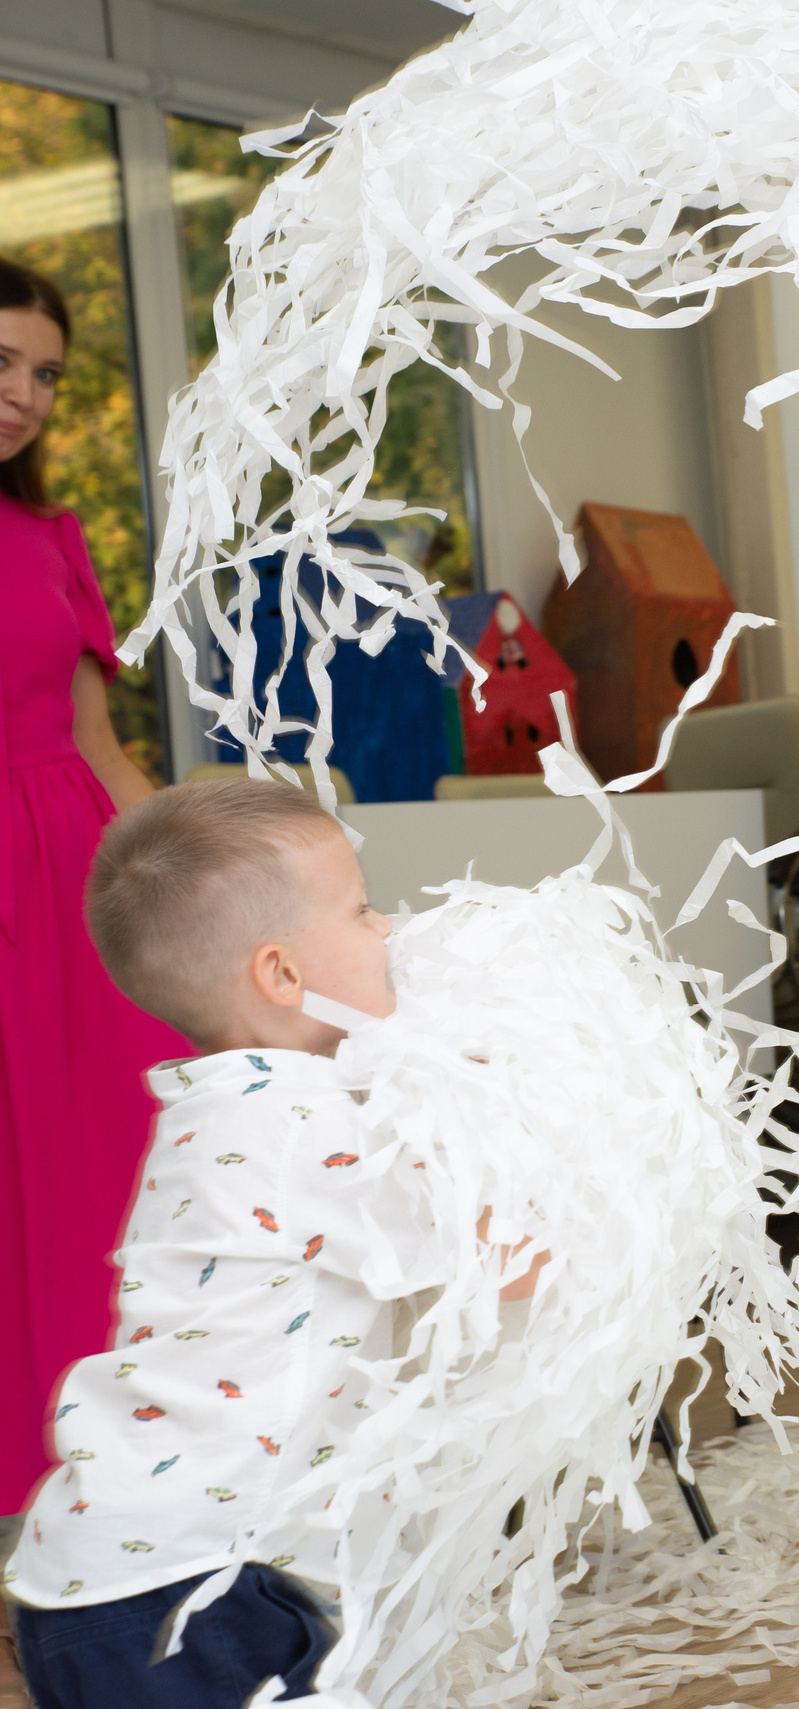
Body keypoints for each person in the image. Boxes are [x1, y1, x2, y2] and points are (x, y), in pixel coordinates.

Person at [0, 778, 478, 1706]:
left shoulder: (230, 1104)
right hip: (174, 1594)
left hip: (132, 1573)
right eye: (362, 909)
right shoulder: (298, 1121)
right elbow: (488, 1260)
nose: (389, 930)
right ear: (282, 975)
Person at [0, 256, 190, 1527]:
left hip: (70, 892)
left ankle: (107, 1514)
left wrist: (207, 878)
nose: (27, 394)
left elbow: (105, 747)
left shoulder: (54, 539)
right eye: (4, 362)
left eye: (48, 374)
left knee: (104, 1184)